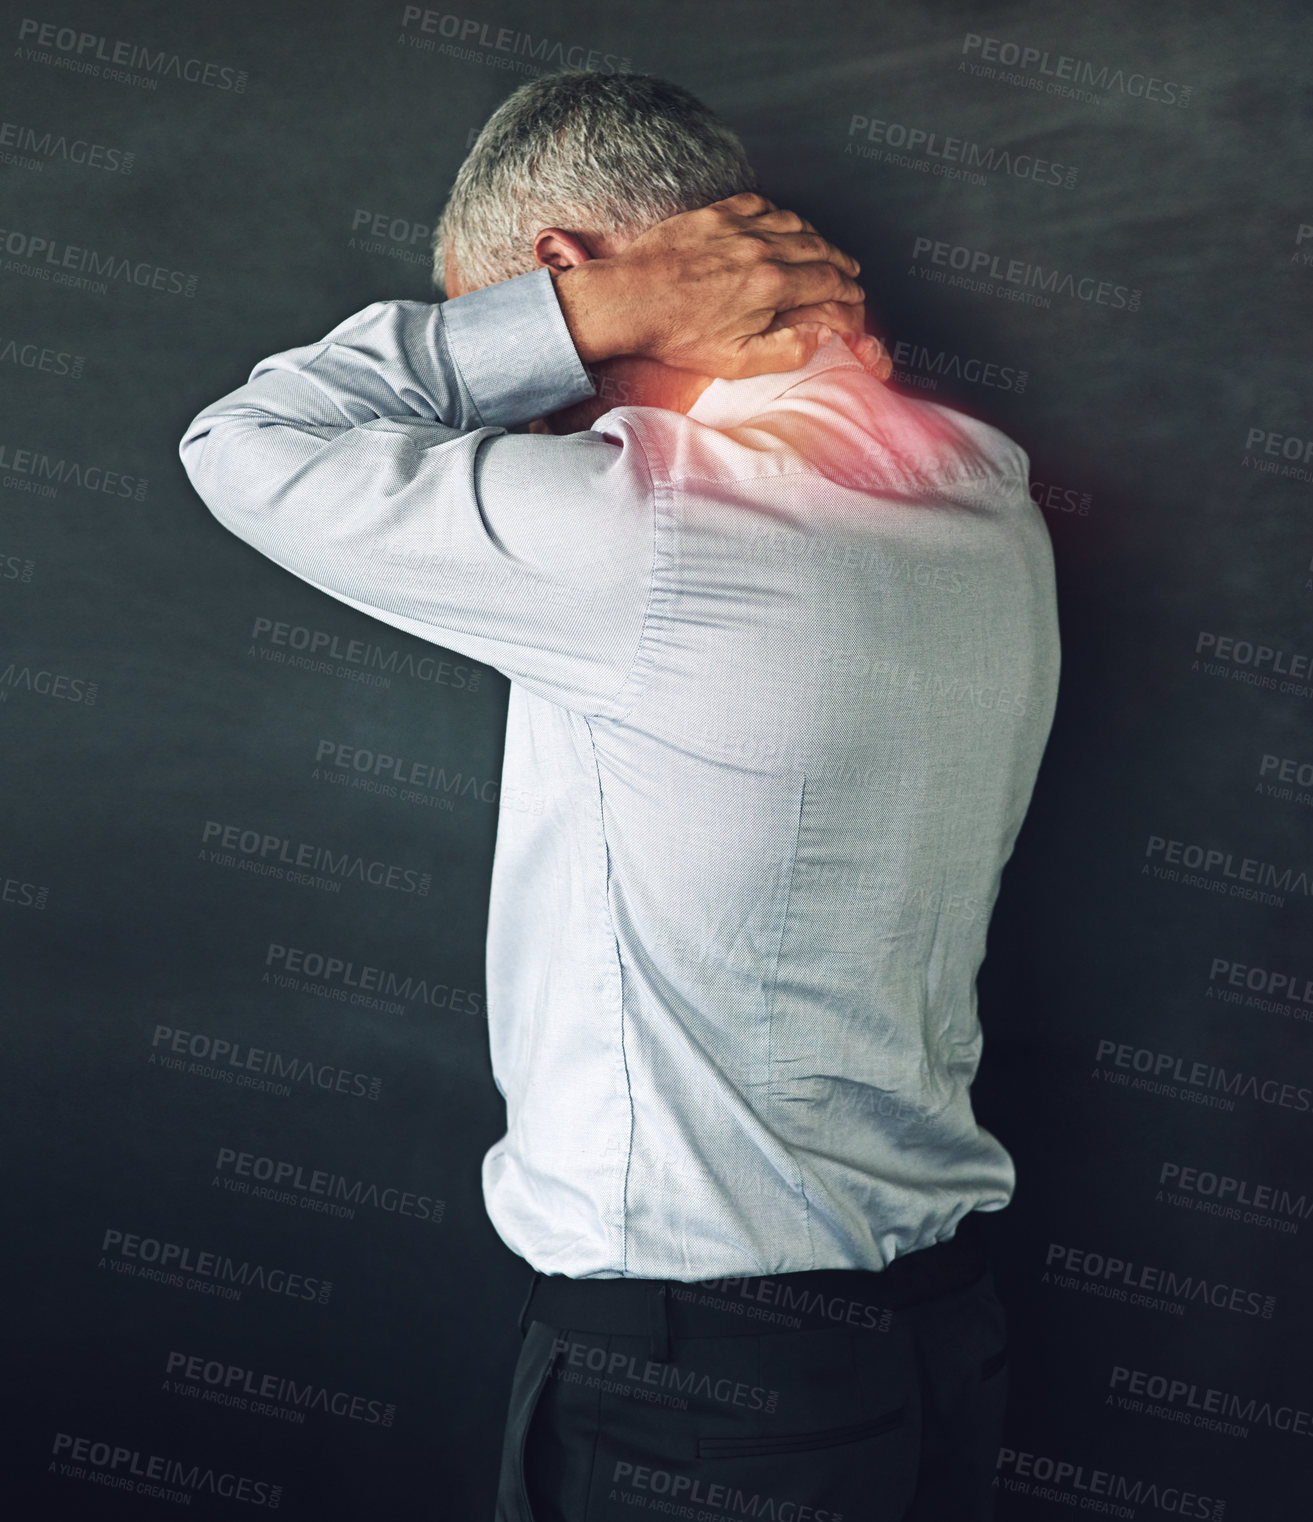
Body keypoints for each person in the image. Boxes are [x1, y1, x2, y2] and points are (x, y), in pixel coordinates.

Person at [179, 69, 1060, 1522]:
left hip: (702, 1390)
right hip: (933, 1349)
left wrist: (573, 328)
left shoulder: (659, 519)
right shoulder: (983, 486)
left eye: (505, 328)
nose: (514, 402)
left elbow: (243, 444)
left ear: (568, 274)